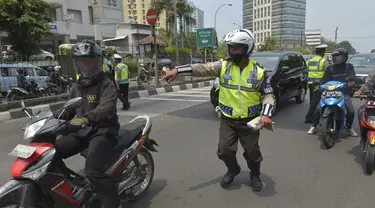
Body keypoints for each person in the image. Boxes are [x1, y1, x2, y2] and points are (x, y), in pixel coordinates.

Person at [161, 29, 275, 191]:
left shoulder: (259, 72)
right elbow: (202, 68)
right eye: (231, 48)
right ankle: (233, 169)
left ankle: (255, 174)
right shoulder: (223, 66)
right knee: (224, 151)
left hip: (250, 121)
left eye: (236, 48)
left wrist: (266, 114)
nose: (232, 51)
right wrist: (178, 70)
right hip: (228, 120)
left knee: (252, 153)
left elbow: (268, 95)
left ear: (247, 48)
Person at [54, 40, 122, 208]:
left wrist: (86, 119)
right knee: (52, 152)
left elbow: (106, 108)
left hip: (103, 131)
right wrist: (52, 118)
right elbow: (69, 108)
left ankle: (113, 203)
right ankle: (69, 188)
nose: (86, 65)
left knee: (93, 172)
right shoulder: (78, 86)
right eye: (81, 61)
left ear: (97, 61)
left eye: (89, 60)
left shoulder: (106, 84)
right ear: (76, 64)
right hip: (82, 132)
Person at [307, 48, 358, 137]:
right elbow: (324, 79)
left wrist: (350, 81)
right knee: (319, 108)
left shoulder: (349, 67)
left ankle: (348, 127)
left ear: (345, 57)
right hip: (330, 92)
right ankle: (313, 125)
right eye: (335, 57)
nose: (337, 59)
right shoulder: (330, 68)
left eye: (339, 57)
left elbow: (352, 76)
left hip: (343, 93)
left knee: (351, 111)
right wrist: (319, 85)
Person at [304, 44, 330, 123]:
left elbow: (305, 72)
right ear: (323, 52)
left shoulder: (309, 61)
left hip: (311, 84)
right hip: (320, 84)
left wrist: (307, 80)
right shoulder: (323, 61)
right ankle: (310, 117)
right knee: (319, 102)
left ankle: (313, 117)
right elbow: (328, 72)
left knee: (313, 101)